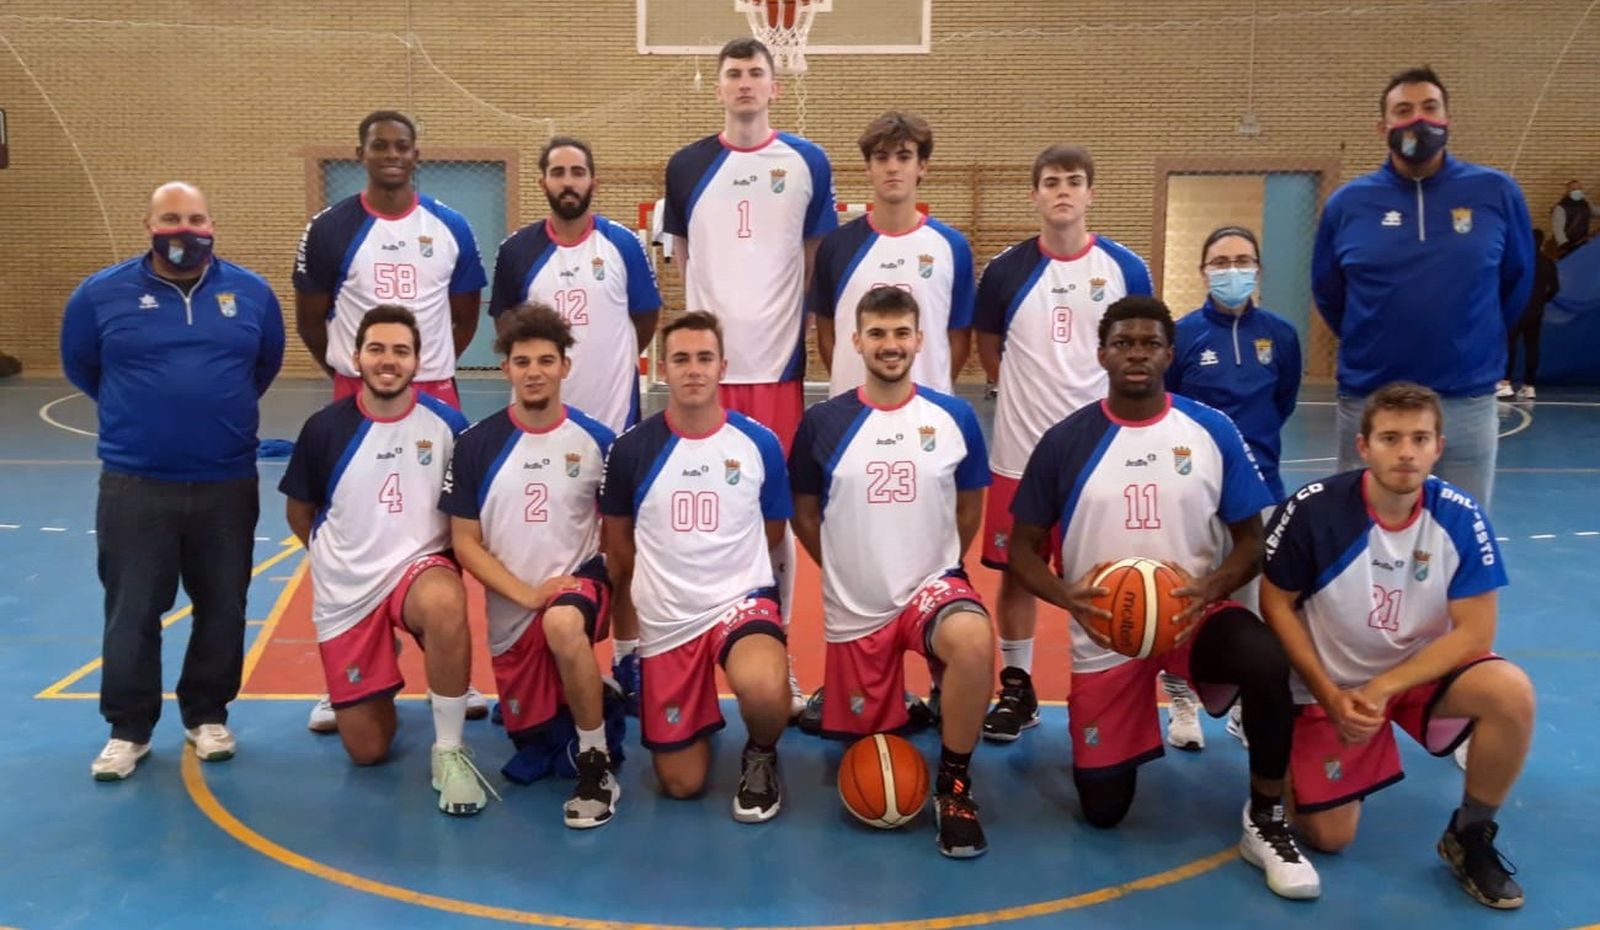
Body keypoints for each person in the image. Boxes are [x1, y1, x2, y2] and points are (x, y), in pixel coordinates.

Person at [1005, 296, 1321, 900]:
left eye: (1149, 344)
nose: (1136, 354)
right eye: (1123, 343)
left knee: (1266, 659)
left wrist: (1212, 588)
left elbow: (1251, 540)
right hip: (1105, 631)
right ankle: (1147, 705)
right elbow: (1021, 549)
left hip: (1195, 616)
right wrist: (1070, 598)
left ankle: (1266, 820)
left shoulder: (1210, 431)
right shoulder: (1065, 441)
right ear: (1102, 354)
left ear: (1169, 355)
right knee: (1103, 810)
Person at [1260, 382, 1535, 910]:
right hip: (1331, 686)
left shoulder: (1460, 516)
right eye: (1390, 438)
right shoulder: (1316, 510)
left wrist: (1384, 688)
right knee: (1330, 837)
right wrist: (1329, 693)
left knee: (1510, 692)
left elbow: (1477, 633)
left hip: (1409, 678)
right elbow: (1276, 604)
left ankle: (1470, 835)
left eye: (1419, 438)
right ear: (1363, 447)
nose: (1406, 452)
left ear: (1439, 445)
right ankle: (1310, 761)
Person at [62, 181, 284, 781]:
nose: (183, 229)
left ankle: (207, 714)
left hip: (226, 481)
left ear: (212, 223)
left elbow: (264, 365)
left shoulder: (253, 294)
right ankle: (128, 728)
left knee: (223, 604)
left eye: (195, 217)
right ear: (148, 225)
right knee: (132, 608)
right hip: (136, 482)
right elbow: (81, 366)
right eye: (170, 218)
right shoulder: (100, 295)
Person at [662, 36, 837, 714]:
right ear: (717, 87)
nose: (743, 83)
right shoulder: (687, 166)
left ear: (774, 86)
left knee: (780, 518)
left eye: (754, 73)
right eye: (732, 73)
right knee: (701, 514)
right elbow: (683, 256)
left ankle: (778, 655)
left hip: (777, 368)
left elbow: (815, 256)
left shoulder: (807, 162)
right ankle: (695, 649)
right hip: (707, 373)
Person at [789, 287, 994, 858]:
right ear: (855, 341)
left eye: (901, 333)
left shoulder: (953, 416)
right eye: (877, 333)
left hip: (931, 588)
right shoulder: (823, 423)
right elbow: (804, 511)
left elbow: (970, 503)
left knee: (975, 642)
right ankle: (876, 705)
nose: (890, 344)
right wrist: (838, 565)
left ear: (919, 340)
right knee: (871, 755)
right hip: (857, 604)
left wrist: (946, 565)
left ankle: (953, 787)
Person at [971, 144, 1155, 744]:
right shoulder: (1005, 271)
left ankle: (1109, 687)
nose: (1062, 192)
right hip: (1019, 455)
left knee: (1110, 574)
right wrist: (1014, 393)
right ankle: (1018, 687)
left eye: (1074, 181)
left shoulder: (1125, 268)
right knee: (1016, 573)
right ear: (1034, 195)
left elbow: (1141, 351)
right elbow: (989, 346)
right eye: (1050, 182)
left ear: (1091, 193)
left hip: (1101, 456)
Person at [279, 305, 490, 817]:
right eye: (377, 349)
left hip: (418, 570)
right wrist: (341, 561)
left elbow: (469, 511)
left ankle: (449, 750)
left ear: (418, 361)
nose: (388, 360)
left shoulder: (446, 424)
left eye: (401, 350)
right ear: (356, 357)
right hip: (349, 590)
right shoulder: (324, 429)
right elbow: (299, 513)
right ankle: (378, 659)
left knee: (444, 603)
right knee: (368, 750)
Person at [600, 312, 794, 822]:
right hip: (668, 621)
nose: (693, 370)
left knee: (765, 689)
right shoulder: (630, 450)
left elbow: (773, 531)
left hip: (740, 602)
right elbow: (619, 545)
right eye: (681, 359)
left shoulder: (759, 444)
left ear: (722, 366)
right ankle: (694, 714)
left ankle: (760, 754)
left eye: (704, 358)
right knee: (680, 785)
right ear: (663, 368)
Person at [1312, 67, 1533, 514]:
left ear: (1447, 119)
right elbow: (1330, 293)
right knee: (1358, 537)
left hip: (1465, 400)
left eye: (1430, 108)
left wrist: (1468, 339)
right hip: (1370, 399)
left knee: (1460, 537)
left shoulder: (1496, 193)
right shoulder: (1348, 205)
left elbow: (1516, 283)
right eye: (1404, 111)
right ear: (1383, 127)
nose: (1418, 120)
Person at [440, 303, 621, 828]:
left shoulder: (597, 441)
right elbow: (465, 541)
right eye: (523, 361)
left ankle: (598, 763)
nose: (534, 371)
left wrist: (593, 597)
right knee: (533, 743)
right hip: (514, 607)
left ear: (565, 366)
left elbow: (618, 535)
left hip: (578, 590)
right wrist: (526, 594)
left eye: (546, 360)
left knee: (562, 625)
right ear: (506, 370)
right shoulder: (476, 444)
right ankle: (589, 699)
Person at [1167, 226, 1303, 748]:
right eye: (1220, 261)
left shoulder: (1282, 337)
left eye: (1242, 260)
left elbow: (1283, 401)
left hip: (1260, 489)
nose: (1231, 270)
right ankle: (1180, 697)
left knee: (1246, 602)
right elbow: (1171, 408)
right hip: (1194, 490)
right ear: (1203, 271)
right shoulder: (1184, 336)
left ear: (1258, 269)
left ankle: (1245, 706)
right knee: (1184, 595)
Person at [294, 110, 487, 410]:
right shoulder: (327, 228)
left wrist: (429, 363)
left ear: (415, 155)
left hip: (432, 385)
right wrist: (348, 368)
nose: (392, 154)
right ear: (361, 154)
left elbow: (466, 319)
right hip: (356, 385)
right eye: (380, 146)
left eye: (401, 146)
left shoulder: (452, 227)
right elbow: (309, 323)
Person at [488, 136, 661, 434]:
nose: (568, 182)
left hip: (613, 411)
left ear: (595, 182)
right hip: (540, 418)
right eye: (558, 173)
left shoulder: (624, 245)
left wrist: (607, 355)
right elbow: (506, 326)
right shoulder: (515, 250)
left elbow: (645, 320)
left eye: (578, 172)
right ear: (542, 183)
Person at [810, 111, 975, 398]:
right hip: (854, 411)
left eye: (904, 156)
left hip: (926, 412)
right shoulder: (836, 246)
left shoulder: (952, 247)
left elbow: (958, 337)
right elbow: (827, 335)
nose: (892, 167)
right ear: (868, 167)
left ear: (922, 166)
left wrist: (934, 388)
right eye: (881, 157)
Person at [1496, 229, 1560, 402]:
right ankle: (1529, 387)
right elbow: (1555, 289)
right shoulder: (1548, 262)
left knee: (1510, 345)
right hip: (1537, 311)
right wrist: (1541, 301)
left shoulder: (1519, 262)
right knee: (1532, 346)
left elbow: (1507, 284)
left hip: (1517, 309)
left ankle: (1505, 384)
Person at [1551, 179, 1590, 256]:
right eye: (1574, 189)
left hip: (1583, 244)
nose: (1577, 191)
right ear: (1568, 191)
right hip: (1569, 247)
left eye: (1579, 189)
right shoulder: (1561, 208)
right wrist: (1564, 245)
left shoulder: (1585, 204)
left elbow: (1596, 211)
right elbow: (1558, 229)